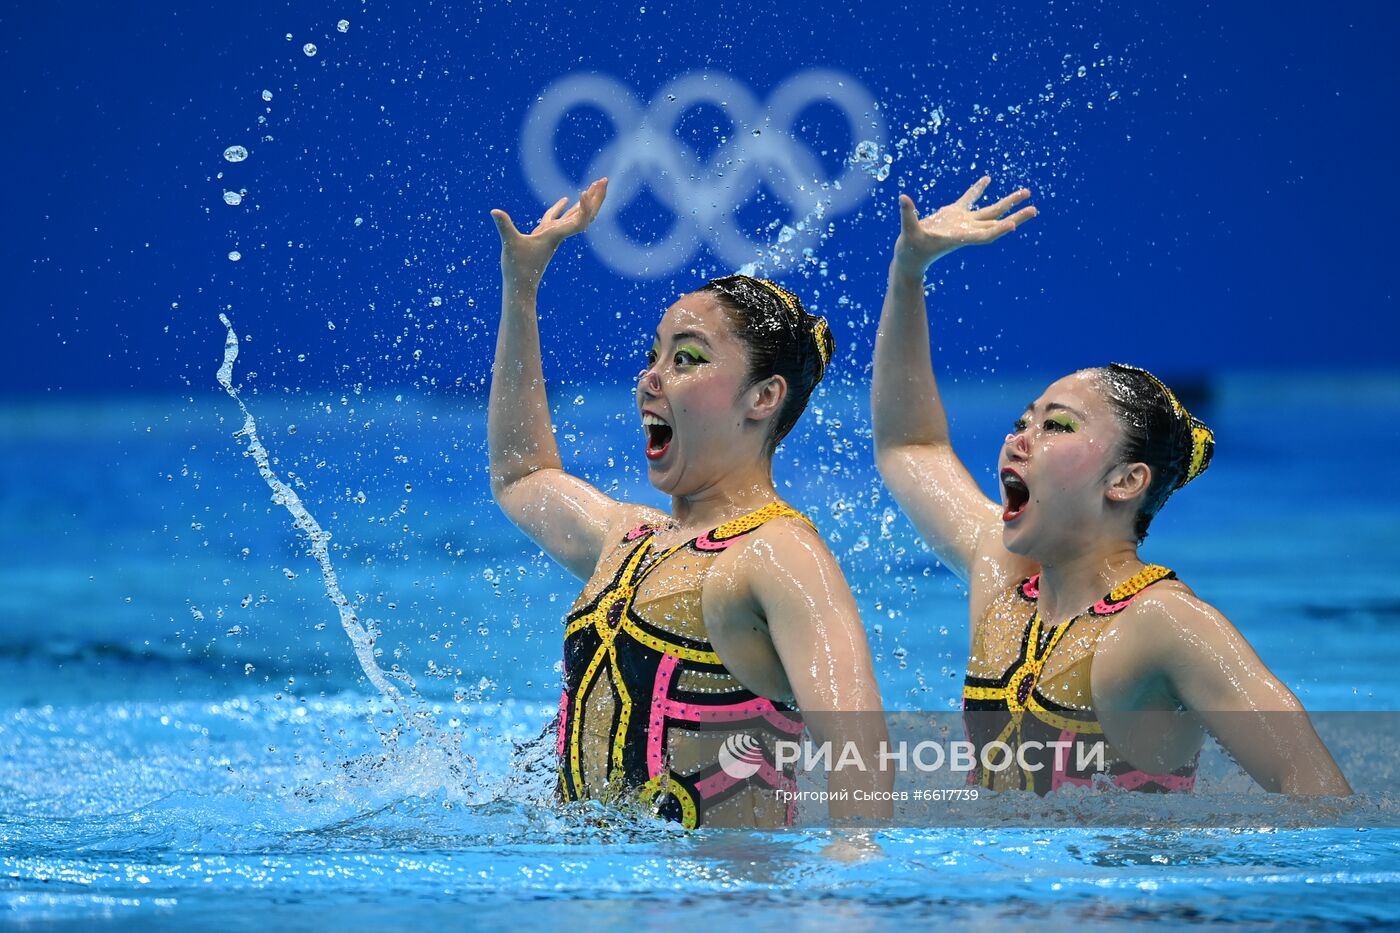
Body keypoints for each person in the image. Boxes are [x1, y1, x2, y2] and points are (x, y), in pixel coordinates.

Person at [871, 177, 1350, 796]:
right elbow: (910, 447)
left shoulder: (1166, 625)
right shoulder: (1003, 577)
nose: (1019, 438)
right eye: (1022, 421)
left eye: (1057, 426)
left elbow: (1316, 792)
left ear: (1125, 481)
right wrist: (908, 273)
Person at [488, 178, 892, 829]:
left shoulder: (778, 553)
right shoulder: (631, 538)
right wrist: (522, 287)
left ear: (762, 398)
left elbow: (861, 748)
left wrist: (843, 892)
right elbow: (521, 474)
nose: (650, 377)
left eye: (688, 358)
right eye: (654, 356)